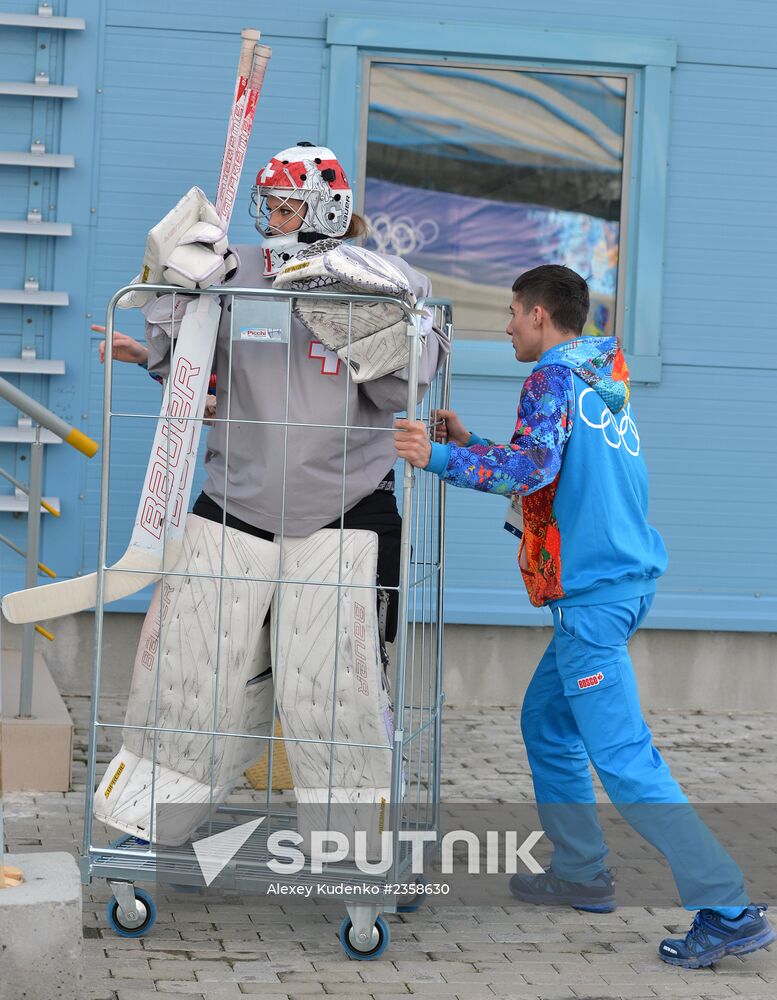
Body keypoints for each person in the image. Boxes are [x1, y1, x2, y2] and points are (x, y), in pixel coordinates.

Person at [394, 263, 774, 969]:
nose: (504, 325)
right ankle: (579, 869)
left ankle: (724, 908)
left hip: (593, 602)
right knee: (545, 720)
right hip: (622, 587)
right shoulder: (599, 379)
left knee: (626, 759)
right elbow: (553, 465)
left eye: (511, 312)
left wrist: (437, 457)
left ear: (540, 315)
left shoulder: (548, 380)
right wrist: (474, 440)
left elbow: (531, 472)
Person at [93, 141, 448, 849]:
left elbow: (404, 383)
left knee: (334, 690)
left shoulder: (388, 277)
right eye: (269, 202)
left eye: (286, 203)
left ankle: (355, 845)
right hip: (236, 501)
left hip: (348, 509)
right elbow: (192, 371)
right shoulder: (236, 271)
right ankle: (146, 822)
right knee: (187, 676)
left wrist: (353, 310)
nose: (273, 215)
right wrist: (171, 300)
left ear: (326, 208)